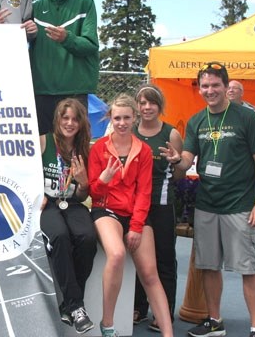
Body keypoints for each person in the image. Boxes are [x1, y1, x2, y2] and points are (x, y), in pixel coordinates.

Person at [161, 62, 255, 337]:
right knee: (208, 265)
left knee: (249, 268)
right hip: (207, 204)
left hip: (241, 205)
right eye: (205, 86)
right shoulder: (197, 121)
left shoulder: (247, 117)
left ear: (226, 86)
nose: (210, 91)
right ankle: (215, 321)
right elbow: (187, 158)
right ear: (200, 89)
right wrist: (177, 161)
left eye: (215, 85)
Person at [88, 93, 173, 337]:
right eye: (117, 118)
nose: (122, 123)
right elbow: (93, 192)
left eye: (126, 117)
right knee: (116, 254)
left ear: (134, 118)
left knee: (149, 273)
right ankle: (108, 324)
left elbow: (145, 192)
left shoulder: (143, 150)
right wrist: (103, 180)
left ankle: (168, 333)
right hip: (106, 210)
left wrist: (136, 226)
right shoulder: (99, 149)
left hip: (134, 215)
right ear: (110, 119)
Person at [39, 98, 96, 334]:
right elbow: (22, 168)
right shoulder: (44, 141)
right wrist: (33, 194)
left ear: (81, 123)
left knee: (87, 238)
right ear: (58, 120)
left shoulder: (85, 149)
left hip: (72, 203)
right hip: (48, 204)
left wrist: (83, 183)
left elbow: (83, 196)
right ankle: (77, 308)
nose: (70, 123)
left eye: (74, 119)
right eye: (65, 118)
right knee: (60, 237)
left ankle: (69, 304)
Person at [29, 0, 99, 135]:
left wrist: (66, 38)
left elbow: (91, 44)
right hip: (42, 91)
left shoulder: (85, 3)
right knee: (45, 148)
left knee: (75, 147)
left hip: (74, 90)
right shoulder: (36, 8)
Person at [133, 84, 185, 332]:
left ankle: (165, 312)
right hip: (135, 206)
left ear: (159, 105)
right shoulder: (130, 130)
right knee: (137, 258)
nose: (146, 107)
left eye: (151, 102)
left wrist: (176, 161)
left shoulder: (171, 133)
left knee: (164, 259)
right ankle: (138, 307)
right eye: (142, 102)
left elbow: (178, 174)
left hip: (161, 204)